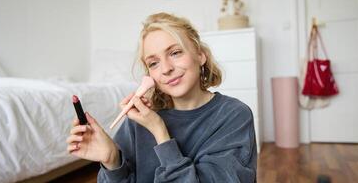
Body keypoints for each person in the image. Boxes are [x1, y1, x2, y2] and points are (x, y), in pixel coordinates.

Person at [66, 12, 257, 182]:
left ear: (200, 55)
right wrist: (112, 160)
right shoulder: (137, 122)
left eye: (175, 53)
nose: (166, 69)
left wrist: (160, 133)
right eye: (154, 63)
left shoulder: (233, 115)